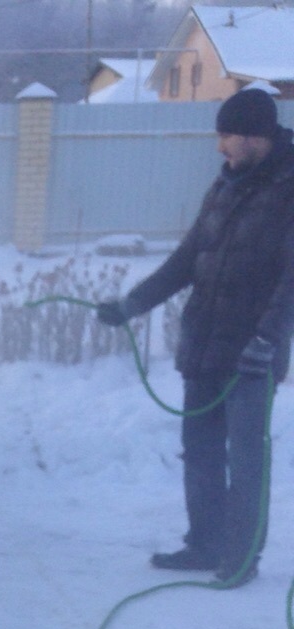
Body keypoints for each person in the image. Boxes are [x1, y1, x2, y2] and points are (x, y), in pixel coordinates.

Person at [97, 86, 294, 584]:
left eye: (226, 135)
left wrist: (266, 342)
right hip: (206, 342)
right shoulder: (225, 185)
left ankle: (241, 558)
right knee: (201, 451)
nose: (219, 145)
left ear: (255, 136)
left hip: (252, 354)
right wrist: (132, 304)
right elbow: (188, 260)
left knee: (246, 459)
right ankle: (205, 545)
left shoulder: (289, 190)